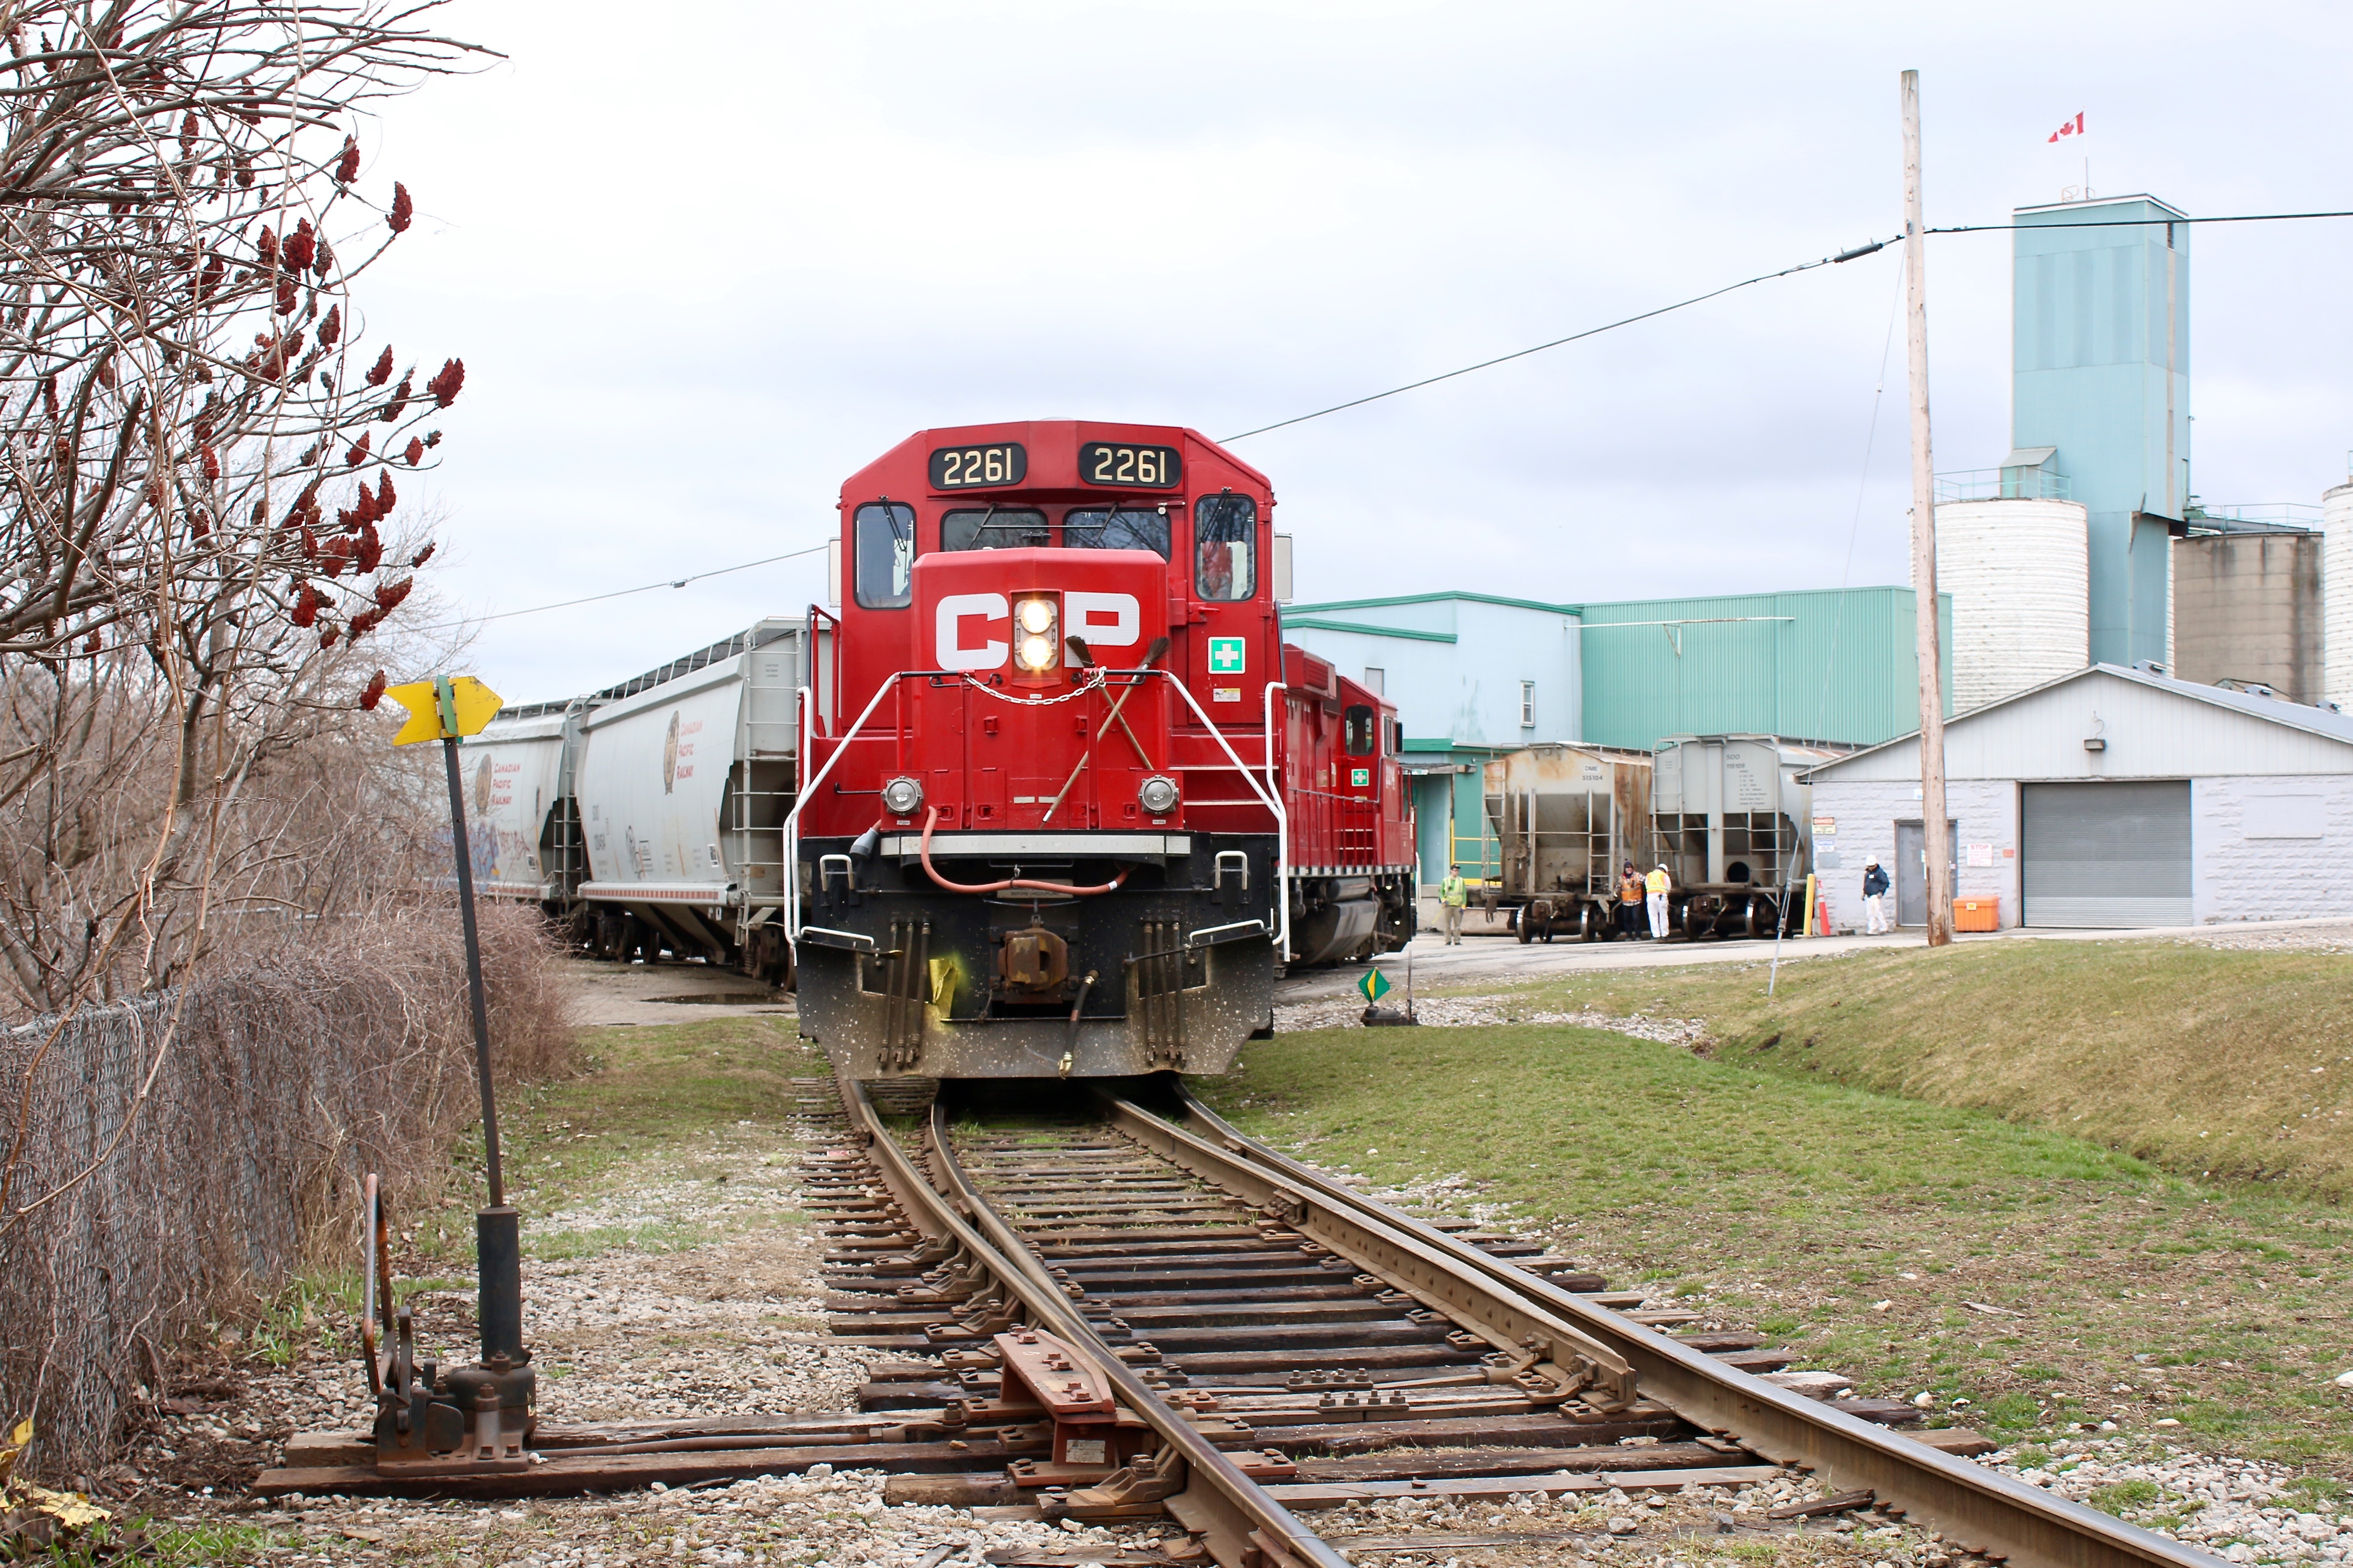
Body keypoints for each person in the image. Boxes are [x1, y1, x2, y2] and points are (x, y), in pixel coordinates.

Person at [1439, 864, 1468, 946]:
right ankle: (1448, 940)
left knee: (1458, 925)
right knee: (1447, 925)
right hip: (1448, 905)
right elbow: (1441, 893)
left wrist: (1464, 905)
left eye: (1458, 870)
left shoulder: (1461, 881)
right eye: (1455, 870)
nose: (1457, 872)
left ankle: (1457, 940)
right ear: (1451, 871)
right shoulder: (1446, 881)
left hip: (1458, 906)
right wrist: (1443, 900)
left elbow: (1464, 894)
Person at [1862, 859, 1891, 934]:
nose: (1871, 868)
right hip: (1869, 896)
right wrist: (1864, 893)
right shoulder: (1868, 873)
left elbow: (1885, 882)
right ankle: (1872, 928)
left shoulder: (1880, 873)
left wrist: (1881, 892)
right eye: (1869, 866)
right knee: (1870, 913)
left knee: (1877, 912)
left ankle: (1884, 927)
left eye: (1872, 866)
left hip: (1875, 895)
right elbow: (1866, 884)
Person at [1616, 861, 1644, 939]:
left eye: (1631, 867)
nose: (1629, 869)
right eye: (1628, 868)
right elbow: (1618, 887)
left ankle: (1638, 936)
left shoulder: (1637, 876)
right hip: (1626, 902)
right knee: (1627, 920)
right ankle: (1629, 936)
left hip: (1636, 901)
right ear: (1625, 869)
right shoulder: (1621, 878)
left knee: (1636, 919)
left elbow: (1647, 881)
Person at [1644, 863, 1671, 940]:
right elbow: (1668, 888)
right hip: (1661, 897)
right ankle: (1665, 935)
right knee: (1663, 916)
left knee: (1653, 917)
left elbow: (1647, 886)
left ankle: (1656, 936)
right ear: (1665, 871)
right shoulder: (1664, 876)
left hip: (1650, 898)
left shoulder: (1649, 875)